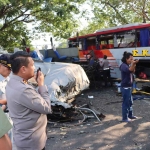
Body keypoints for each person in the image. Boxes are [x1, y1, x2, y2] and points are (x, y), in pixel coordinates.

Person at [6, 51, 52, 150]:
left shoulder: (13, 82)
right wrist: (41, 85)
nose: (34, 68)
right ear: (23, 69)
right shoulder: (23, 89)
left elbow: (30, 100)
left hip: (24, 138)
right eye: (32, 65)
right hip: (32, 143)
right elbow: (47, 107)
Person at [120, 51, 139, 122]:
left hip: (129, 86)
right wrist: (133, 64)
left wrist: (134, 65)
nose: (131, 60)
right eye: (130, 59)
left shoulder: (128, 65)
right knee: (126, 103)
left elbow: (133, 71)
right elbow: (130, 70)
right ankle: (125, 118)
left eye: (132, 59)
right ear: (126, 59)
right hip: (125, 87)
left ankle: (130, 115)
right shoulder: (123, 65)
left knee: (130, 102)